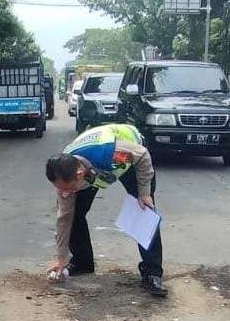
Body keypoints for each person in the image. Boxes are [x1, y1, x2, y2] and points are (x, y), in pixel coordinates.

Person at [45, 123, 166, 297]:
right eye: (60, 189)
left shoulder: (109, 154)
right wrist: (62, 257)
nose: (65, 193)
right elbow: (64, 218)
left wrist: (145, 193)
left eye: (68, 188)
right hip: (92, 169)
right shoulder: (65, 174)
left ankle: (152, 274)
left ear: (79, 176)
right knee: (74, 215)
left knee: (144, 213)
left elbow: (142, 155)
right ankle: (82, 262)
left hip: (132, 160)